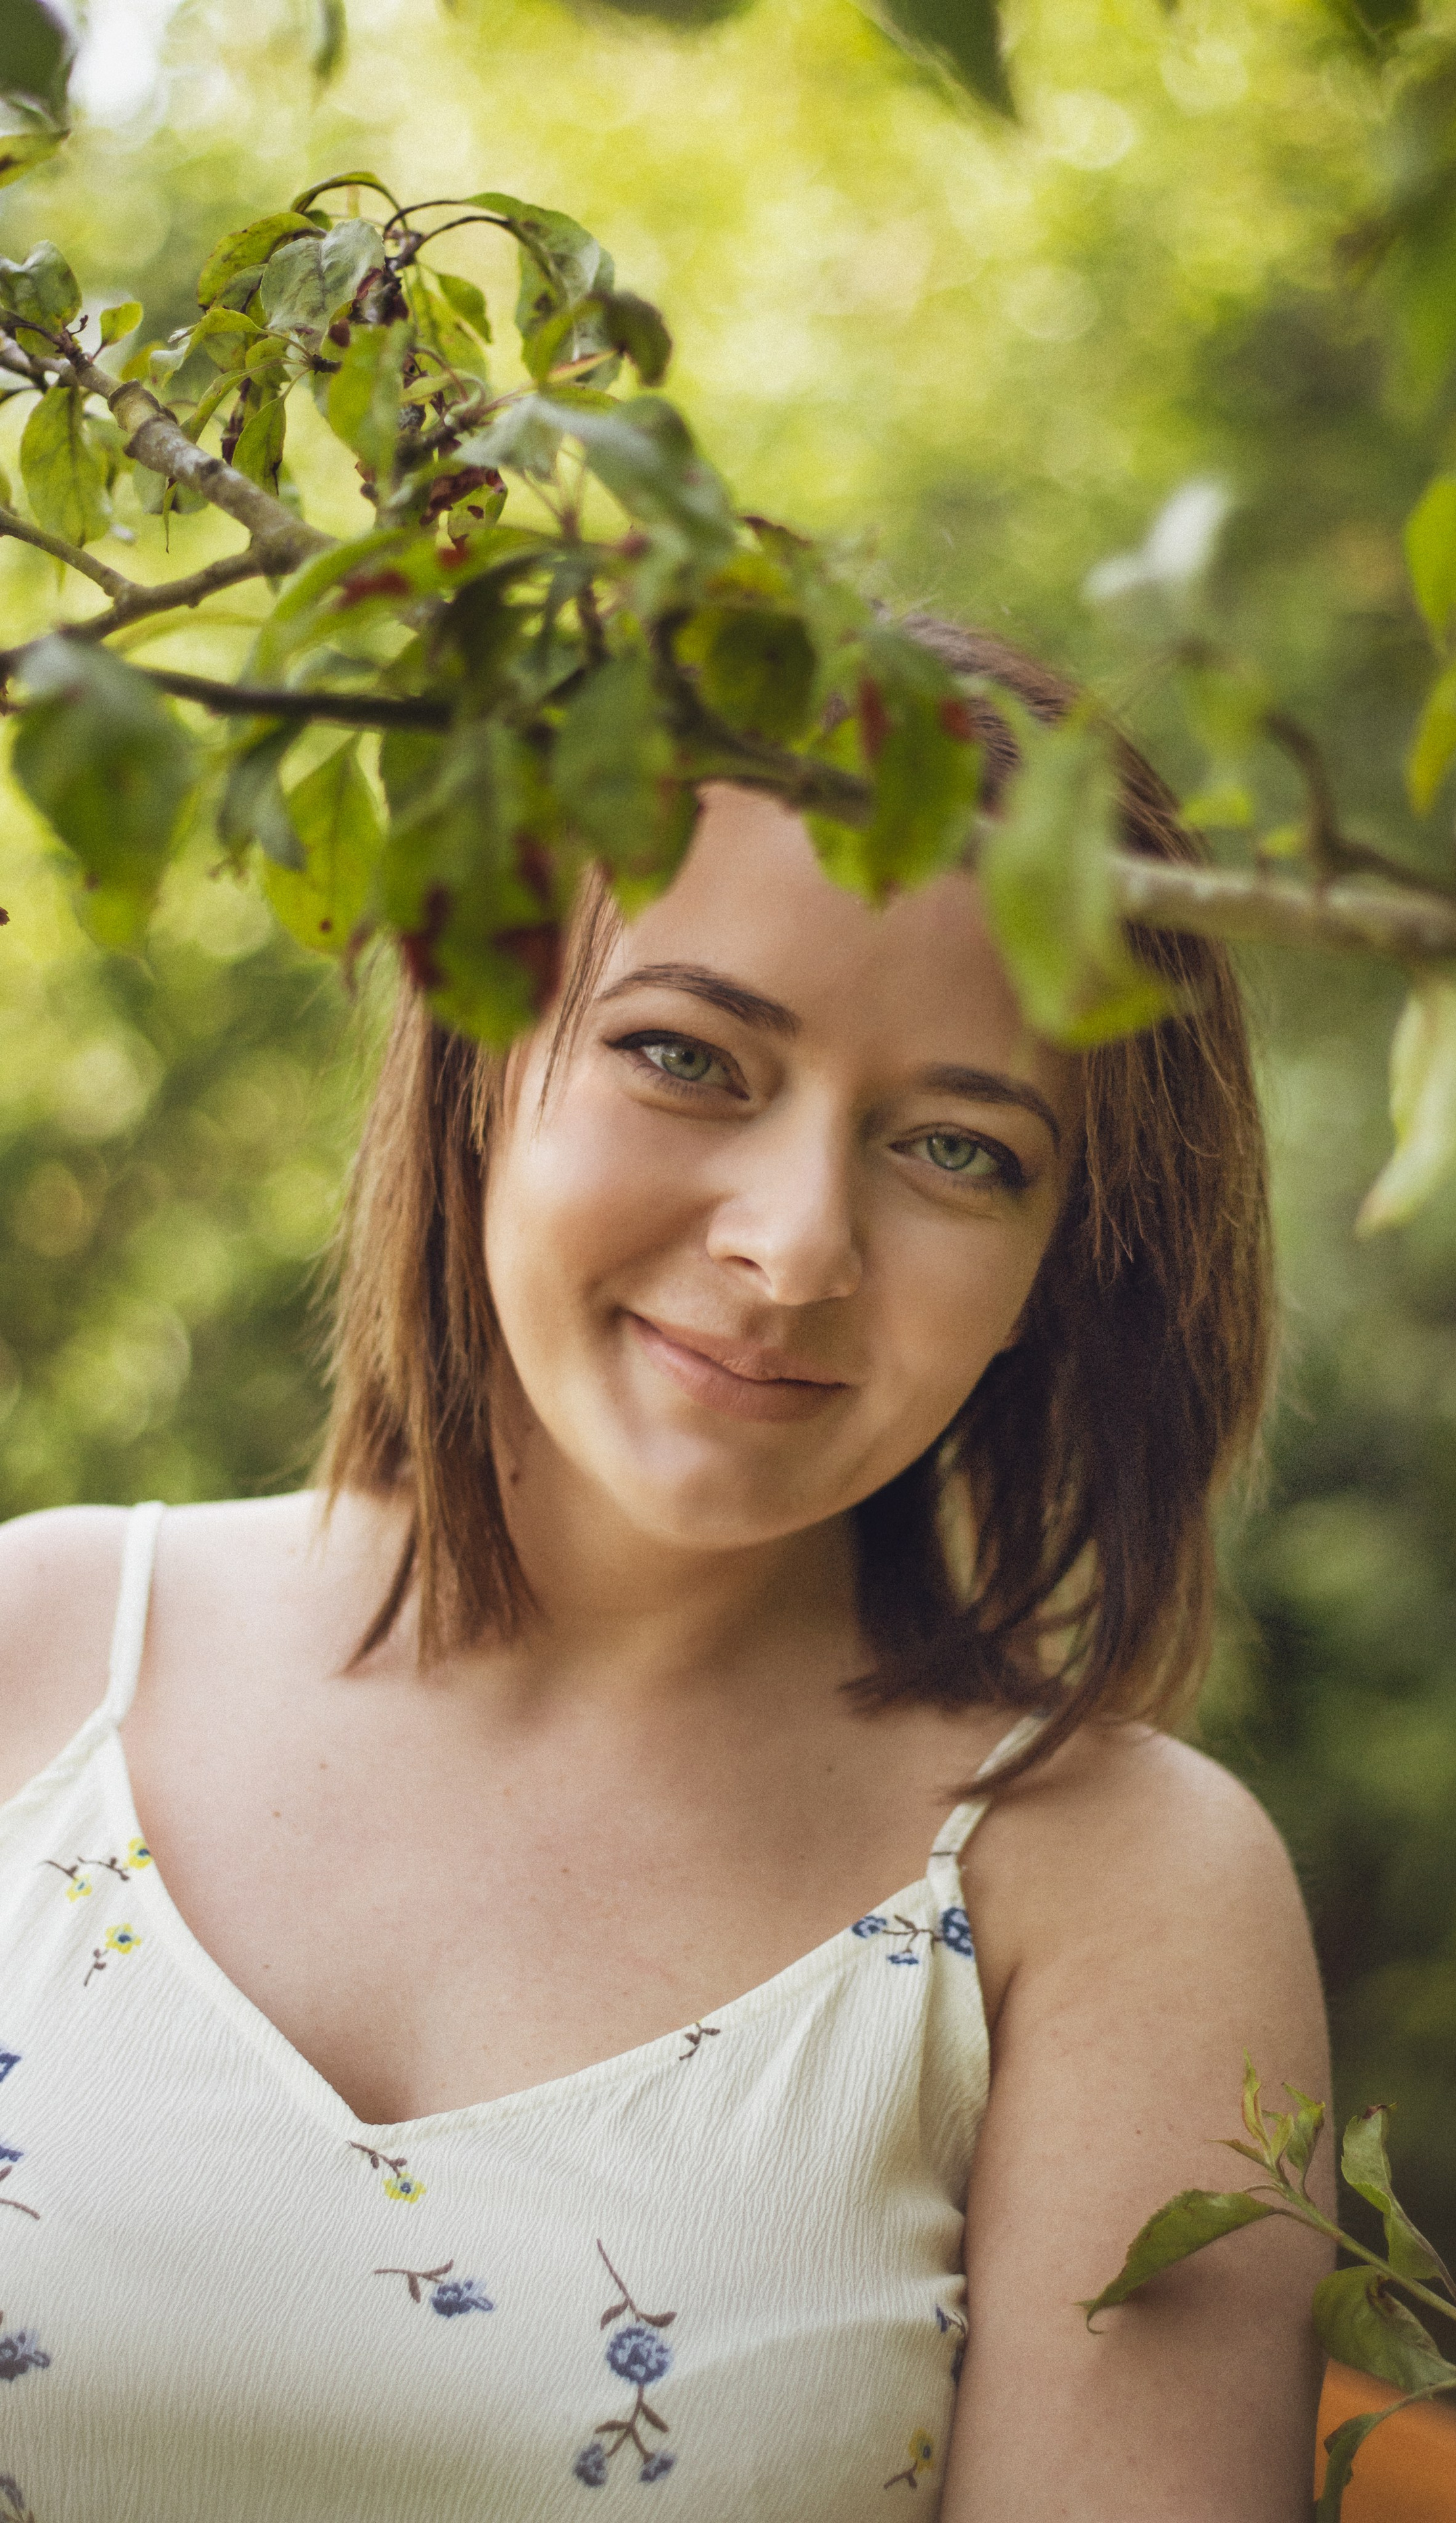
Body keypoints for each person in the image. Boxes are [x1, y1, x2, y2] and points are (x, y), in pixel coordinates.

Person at [0, 620, 1329, 2522]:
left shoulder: (1109, 1892)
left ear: (1072, 1261)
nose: (795, 1249)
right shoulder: (36, 1657)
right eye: (686, 1055)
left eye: (961, 1147)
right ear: (476, 1051)